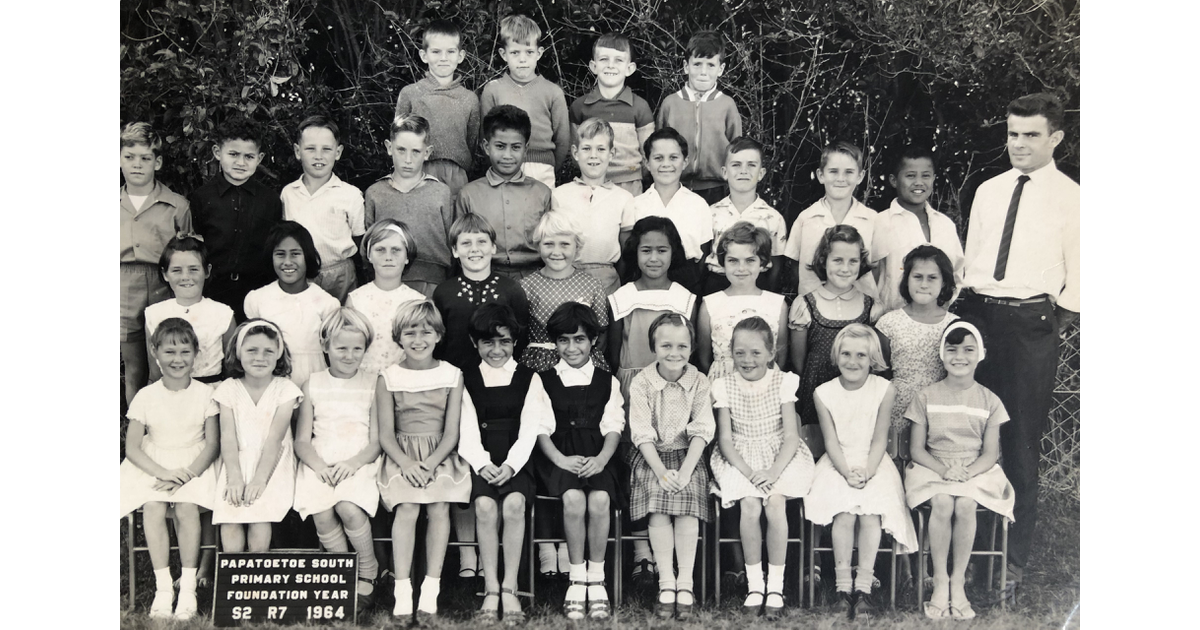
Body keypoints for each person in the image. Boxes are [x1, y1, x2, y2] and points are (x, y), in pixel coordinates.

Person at [954, 92, 1079, 593]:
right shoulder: (988, 189)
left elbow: (1083, 274)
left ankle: (1013, 561)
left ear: (1055, 138)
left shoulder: (1073, 197)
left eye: (1031, 135)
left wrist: (1049, 321)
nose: (1019, 144)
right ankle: (966, 550)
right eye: (1012, 134)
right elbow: (974, 259)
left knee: (1021, 442)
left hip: (1031, 323)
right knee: (965, 431)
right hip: (981, 317)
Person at [432, 213, 533, 578]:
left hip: (498, 388)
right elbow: (440, 342)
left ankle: (503, 554)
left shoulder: (510, 289)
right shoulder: (444, 291)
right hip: (459, 385)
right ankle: (467, 555)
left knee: (495, 458)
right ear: (455, 251)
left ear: (493, 246)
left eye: (481, 242)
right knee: (462, 463)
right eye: (465, 243)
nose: (474, 249)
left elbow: (515, 340)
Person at [805, 324, 917, 620]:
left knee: (870, 513)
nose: (852, 362)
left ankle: (864, 589)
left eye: (861, 356)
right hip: (837, 462)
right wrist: (846, 472)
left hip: (874, 461)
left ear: (873, 360)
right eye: (846, 354)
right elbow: (830, 441)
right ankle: (843, 589)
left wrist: (866, 471)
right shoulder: (823, 393)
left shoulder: (884, 389)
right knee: (843, 512)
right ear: (836, 356)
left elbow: (880, 438)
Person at [905, 320, 1015, 620]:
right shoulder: (926, 396)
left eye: (968, 349)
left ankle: (958, 582)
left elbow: (990, 453)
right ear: (942, 354)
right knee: (942, 501)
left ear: (981, 354)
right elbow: (916, 449)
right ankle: (939, 580)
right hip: (932, 467)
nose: (959, 356)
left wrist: (966, 472)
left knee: (965, 504)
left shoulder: (989, 400)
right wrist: (943, 470)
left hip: (975, 470)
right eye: (951, 349)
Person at [708, 317, 813, 619]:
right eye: (739, 352)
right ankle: (756, 584)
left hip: (779, 455)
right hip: (740, 456)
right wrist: (749, 472)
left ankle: (776, 586)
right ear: (731, 353)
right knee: (750, 505)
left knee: (775, 503)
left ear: (771, 354)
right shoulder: (723, 386)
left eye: (755, 352)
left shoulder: (783, 382)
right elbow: (725, 440)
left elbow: (791, 436)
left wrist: (772, 472)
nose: (747, 359)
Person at [376, 300, 472, 621]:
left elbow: (451, 433)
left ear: (438, 336)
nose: (419, 339)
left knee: (438, 507)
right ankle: (402, 590)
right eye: (410, 332)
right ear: (398, 337)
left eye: (426, 331)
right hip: (401, 456)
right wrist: (406, 463)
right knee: (407, 507)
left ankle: (430, 589)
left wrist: (430, 464)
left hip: (440, 456)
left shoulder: (451, 375)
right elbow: (386, 435)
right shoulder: (388, 377)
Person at [456, 303, 551, 625]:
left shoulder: (529, 377)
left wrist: (510, 466)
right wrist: (482, 464)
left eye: (505, 342)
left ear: (515, 342)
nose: (496, 350)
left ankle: (510, 586)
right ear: (474, 342)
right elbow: (465, 427)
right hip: (481, 458)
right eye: (488, 342)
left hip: (517, 459)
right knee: (483, 506)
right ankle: (491, 587)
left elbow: (529, 429)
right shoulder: (465, 377)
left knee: (513, 505)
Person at [119, 318, 218, 620]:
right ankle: (164, 587)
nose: (178, 360)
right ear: (155, 352)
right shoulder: (146, 395)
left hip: (195, 463)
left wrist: (186, 474)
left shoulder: (205, 393)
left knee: (187, 507)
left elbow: (212, 445)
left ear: (196, 353)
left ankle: (187, 587)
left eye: (185, 352)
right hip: (154, 462)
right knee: (152, 506)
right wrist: (163, 473)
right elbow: (133, 447)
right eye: (170, 352)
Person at [534, 302, 627, 620]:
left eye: (579, 339)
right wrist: (560, 459)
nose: (571, 347)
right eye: (563, 340)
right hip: (560, 456)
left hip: (598, 455)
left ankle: (596, 577)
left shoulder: (607, 380)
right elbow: (541, 429)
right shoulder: (543, 380)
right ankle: (576, 577)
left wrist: (601, 459)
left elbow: (614, 426)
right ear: (555, 343)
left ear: (593, 341)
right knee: (574, 500)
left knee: (600, 500)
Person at [292, 307, 383, 613]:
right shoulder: (312, 382)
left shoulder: (373, 382)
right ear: (326, 346)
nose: (349, 355)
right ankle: (342, 571)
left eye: (357, 348)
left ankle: (368, 570)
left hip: (360, 459)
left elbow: (376, 441)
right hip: (320, 460)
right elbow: (302, 441)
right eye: (341, 348)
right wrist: (319, 466)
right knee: (321, 511)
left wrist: (353, 464)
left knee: (347, 507)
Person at [627, 314, 714, 621]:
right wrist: (662, 472)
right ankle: (666, 581)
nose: (674, 352)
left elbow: (702, 430)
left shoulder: (700, 382)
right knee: (659, 507)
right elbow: (641, 432)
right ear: (654, 346)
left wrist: (687, 470)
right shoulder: (642, 382)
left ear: (692, 347)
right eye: (666, 345)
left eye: (682, 346)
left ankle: (686, 582)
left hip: (689, 457)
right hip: (652, 457)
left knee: (688, 506)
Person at [212, 320, 304, 552]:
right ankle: (233, 575)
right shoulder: (228, 389)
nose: (259, 357)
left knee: (258, 513)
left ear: (279, 356)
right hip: (236, 462)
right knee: (230, 514)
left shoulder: (285, 389)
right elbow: (228, 438)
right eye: (251, 350)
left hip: (273, 464)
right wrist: (234, 477)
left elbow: (275, 439)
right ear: (238, 353)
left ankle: (254, 572)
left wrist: (259, 480)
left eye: (268, 351)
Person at [120, 122, 192, 405]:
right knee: (134, 367)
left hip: (164, 286)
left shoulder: (176, 205)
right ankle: (135, 429)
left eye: (145, 158)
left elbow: (187, 253)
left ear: (157, 161)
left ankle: (167, 429)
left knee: (162, 364)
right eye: (129, 157)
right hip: (122, 286)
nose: (137, 165)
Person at [789, 225, 882, 428]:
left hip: (857, 393)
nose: (845, 268)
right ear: (824, 260)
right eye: (838, 260)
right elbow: (798, 362)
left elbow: (874, 358)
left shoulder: (870, 306)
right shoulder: (805, 305)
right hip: (816, 390)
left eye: (853, 261)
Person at [189, 118, 281, 321]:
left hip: (257, 291)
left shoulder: (270, 200)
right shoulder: (202, 198)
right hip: (212, 291)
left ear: (260, 158)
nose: (241, 163)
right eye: (233, 154)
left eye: (249, 156)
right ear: (217, 153)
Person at [874, 245, 958, 463]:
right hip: (897, 410)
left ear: (944, 283)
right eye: (917, 276)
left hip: (938, 412)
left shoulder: (953, 325)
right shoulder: (888, 323)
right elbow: (880, 375)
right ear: (906, 280)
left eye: (932, 278)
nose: (923, 284)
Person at [364, 114, 456, 297]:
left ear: (427, 153)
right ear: (389, 148)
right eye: (401, 150)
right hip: (386, 281)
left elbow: (452, 243)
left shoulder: (441, 192)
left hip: (432, 283)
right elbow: (368, 246)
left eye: (415, 151)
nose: (408, 159)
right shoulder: (375, 193)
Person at [456, 105, 552, 279]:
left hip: (535, 277)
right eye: (500, 146)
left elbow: (552, 244)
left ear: (526, 149)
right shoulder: (468, 195)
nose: (507, 155)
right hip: (484, 276)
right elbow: (458, 245)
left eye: (515, 147)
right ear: (486, 146)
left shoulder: (542, 193)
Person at [281, 115, 365, 304]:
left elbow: (360, 240)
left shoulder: (350, 194)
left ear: (338, 152)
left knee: (341, 323)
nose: (318, 156)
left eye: (326, 149)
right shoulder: (288, 193)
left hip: (340, 273)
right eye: (310, 149)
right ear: (297, 151)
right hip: (301, 273)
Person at [244, 221, 340, 387]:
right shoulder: (257, 299)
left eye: (295, 254)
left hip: (314, 381)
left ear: (307, 256)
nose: (287, 262)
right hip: (271, 382)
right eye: (280, 254)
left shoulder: (327, 303)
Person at [479, 14, 570, 189]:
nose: (522, 59)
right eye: (515, 52)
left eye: (529, 52)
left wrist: (549, 165)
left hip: (541, 169)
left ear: (539, 53)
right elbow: (485, 136)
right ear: (503, 54)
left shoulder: (552, 92)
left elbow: (563, 140)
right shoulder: (493, 90)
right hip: (502, 166)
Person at [870, 145, 964, 314]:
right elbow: (869, 277)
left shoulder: (945, 225)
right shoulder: (880, 223)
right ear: (893, 180)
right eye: (910, 176)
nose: (919, 182)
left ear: (934, 178)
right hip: (890, 321)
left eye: (926, 176)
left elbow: (956, 274)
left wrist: (942, 310)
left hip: (937, 321)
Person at [394, 19, 479, 200]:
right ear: (424, 56)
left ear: (461, 56)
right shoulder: (411, 93)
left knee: (455, 223)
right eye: (436, 52)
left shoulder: (469, 99)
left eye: (450, 52)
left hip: (456, 174)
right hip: (418, 170)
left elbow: (472, 141)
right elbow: (398, 139)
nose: (443, 58)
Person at [655, 31, 742, 205]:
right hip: (675, 187)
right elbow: (657, 147)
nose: (703, 72)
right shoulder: (670, 104)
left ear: (721, 69)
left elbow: (737, 150)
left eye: (710, 65)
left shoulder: (727, 105)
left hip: (716, 189)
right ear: (686, 66)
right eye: (697, 64)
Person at [782, 141, 877, 301]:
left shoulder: (872, 219)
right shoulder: (806, 219)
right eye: (833, 171)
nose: (841, 178)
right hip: (815, 310)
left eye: (849, 172)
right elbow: (796, 266)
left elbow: (878, 267)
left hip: (860, 309)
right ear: (821, 175)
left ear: (860, 176)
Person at [552, 117, 637, 294]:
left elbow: (626, 252)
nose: (593, 155)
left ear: (611, 154)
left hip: (608, 281)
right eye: (586, 148)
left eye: (601, 149)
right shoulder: (559, 194)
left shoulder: (624, 198)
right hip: (568, 278)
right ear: (575, 153)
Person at [519, 211, 611, 372]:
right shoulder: (526, 286)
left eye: (564, 244)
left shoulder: (592, 285)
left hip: (580, 363)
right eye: (548, 244)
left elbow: (601, 333)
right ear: (538, 246)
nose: (556, 252)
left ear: (577, 246)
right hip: (539, 364)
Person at [697, 222, 788, 381]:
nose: (741, 268)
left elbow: (780, 355)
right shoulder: (710, 304)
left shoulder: (777, 304)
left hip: (765, 387)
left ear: (763, 262)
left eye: (750, 260)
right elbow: (704, 359)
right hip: (722, 385)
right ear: (722, 262)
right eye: (733, 261)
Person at [569, 32, 655, 196]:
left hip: (629, 185)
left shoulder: (640, 107)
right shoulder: (580, 107)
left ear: (629, 69)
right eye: (604, 59)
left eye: (618, 60)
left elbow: (648, 155)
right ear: (594, 66)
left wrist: (631, 173)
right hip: (590, 184)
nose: (610, 65)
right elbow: (576, 154)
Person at [702, 137, 788, 295]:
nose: (743, 171)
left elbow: (776, 266)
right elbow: (702, 259)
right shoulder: (710, 213)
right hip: (717, 285)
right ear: (724, 172)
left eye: (751, 165)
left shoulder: (773, 218)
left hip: (758, 285)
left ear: (761, 173)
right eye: (736, 165)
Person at [145, 235, 236, 384]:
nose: (185, 277)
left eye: (194, 269)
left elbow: (231, 371)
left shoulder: (223, 314)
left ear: (207, 271)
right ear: (165, 274)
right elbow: (154, 375)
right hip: (170, 396)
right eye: (176, 270)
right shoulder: (154, 314)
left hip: (211, 394)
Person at [631, 127, 712, 294]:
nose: (666, 164)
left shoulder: (698, 205)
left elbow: (703, 255)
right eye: (658, 158)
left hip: (687, 281)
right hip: (645, 280)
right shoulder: (635, 205)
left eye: (673, 158)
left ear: (685, 161)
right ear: (647, 162)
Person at [344, 220, 426, 376]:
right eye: (380, 250)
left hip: (401, 383)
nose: (388, 257)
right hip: (363, 381)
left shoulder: (417, 302)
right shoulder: (355, 300)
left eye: (396, 250)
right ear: (369, 255)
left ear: (407, 257)